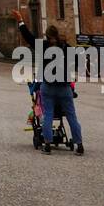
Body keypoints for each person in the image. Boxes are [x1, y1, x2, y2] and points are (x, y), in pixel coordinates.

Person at [14, 10, 84, 155]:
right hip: (64, 87)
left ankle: (46, 144)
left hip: (48, 87)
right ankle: (79, 144)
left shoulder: (44, 46)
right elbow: (78, 61)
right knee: (71, 116)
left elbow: (29, 38)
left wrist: (20, 21)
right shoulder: (65, 47)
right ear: (57, 35)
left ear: (47, 35)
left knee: (48, 115)